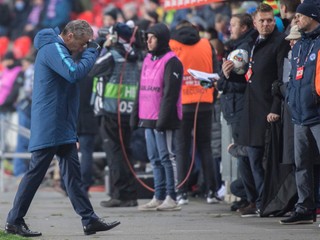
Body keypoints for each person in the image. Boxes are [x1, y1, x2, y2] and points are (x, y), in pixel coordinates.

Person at [5, 20, 120, 237]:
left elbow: (73, 70)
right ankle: (14, 221)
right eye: (83, 43)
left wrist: (97, 48)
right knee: (35, 174)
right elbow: (74, 73)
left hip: (60, 122)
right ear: (69, 36)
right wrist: (91, 54)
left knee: (72, 176)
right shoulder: (53, 48)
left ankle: (89, 219)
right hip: (51, 123)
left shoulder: (56, 48)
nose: (84, 47)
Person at [233, 3, 290, 217]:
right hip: (251, 109)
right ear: (255, 23)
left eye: (269, 20)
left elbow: (281, 78)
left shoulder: (279, 43)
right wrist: (229, 73)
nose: (266, 24)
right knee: (250, 159)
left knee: (260, 160)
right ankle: (258, 200)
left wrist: (276, 107)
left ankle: (266, 201)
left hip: (268, 111)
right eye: (262, 21)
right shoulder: (254, 42)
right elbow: (250, 76)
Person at [131, 22, 183, 211]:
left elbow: (170, 94)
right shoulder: (147, 59)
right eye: (148, 37)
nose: (149, 41)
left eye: (153, 38)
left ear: (161, 39)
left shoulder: (172, 61)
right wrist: (135, 114)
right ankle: (158, 196)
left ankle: (172, 196)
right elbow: (141, 88)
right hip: (147, 117)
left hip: (163, 119)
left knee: (166, 157)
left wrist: (163, 119)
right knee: (154, 159)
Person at [169, 20, 220, 205]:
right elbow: (216, 71)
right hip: (204, 101)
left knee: (181, 148)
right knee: (205, 147)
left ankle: (181, 192)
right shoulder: (206, 43)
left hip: (182, 103)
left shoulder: (172, 44)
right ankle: (212, 191)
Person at [90, 22, 139, 208]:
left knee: (115, 154)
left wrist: (101, 45)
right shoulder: (134, 54)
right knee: (126, 152)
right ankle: (131, 194)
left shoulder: (113, 55)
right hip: (128, 110)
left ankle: (120, 195)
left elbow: (92, 69)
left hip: (111, 111)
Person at [280, 2, 320, 225]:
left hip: (316, 112)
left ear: (312, 16)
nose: (295, 20)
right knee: (301, 163)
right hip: (300, 114)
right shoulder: (298, 46)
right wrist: (290, 99)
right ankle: (305, 207)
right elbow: (293, 79)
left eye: (299, 16)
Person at [218, 13, 258, 212]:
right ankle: (246, 196)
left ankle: (252, 199)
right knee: (242, 154)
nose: (229, 29)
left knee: (244, 154)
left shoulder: (244, 48)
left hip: (240, 106)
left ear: (244, 28)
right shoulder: (237, 45)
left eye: (233, 25)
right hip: (234, 105)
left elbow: (239, 81)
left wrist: (223, 79)